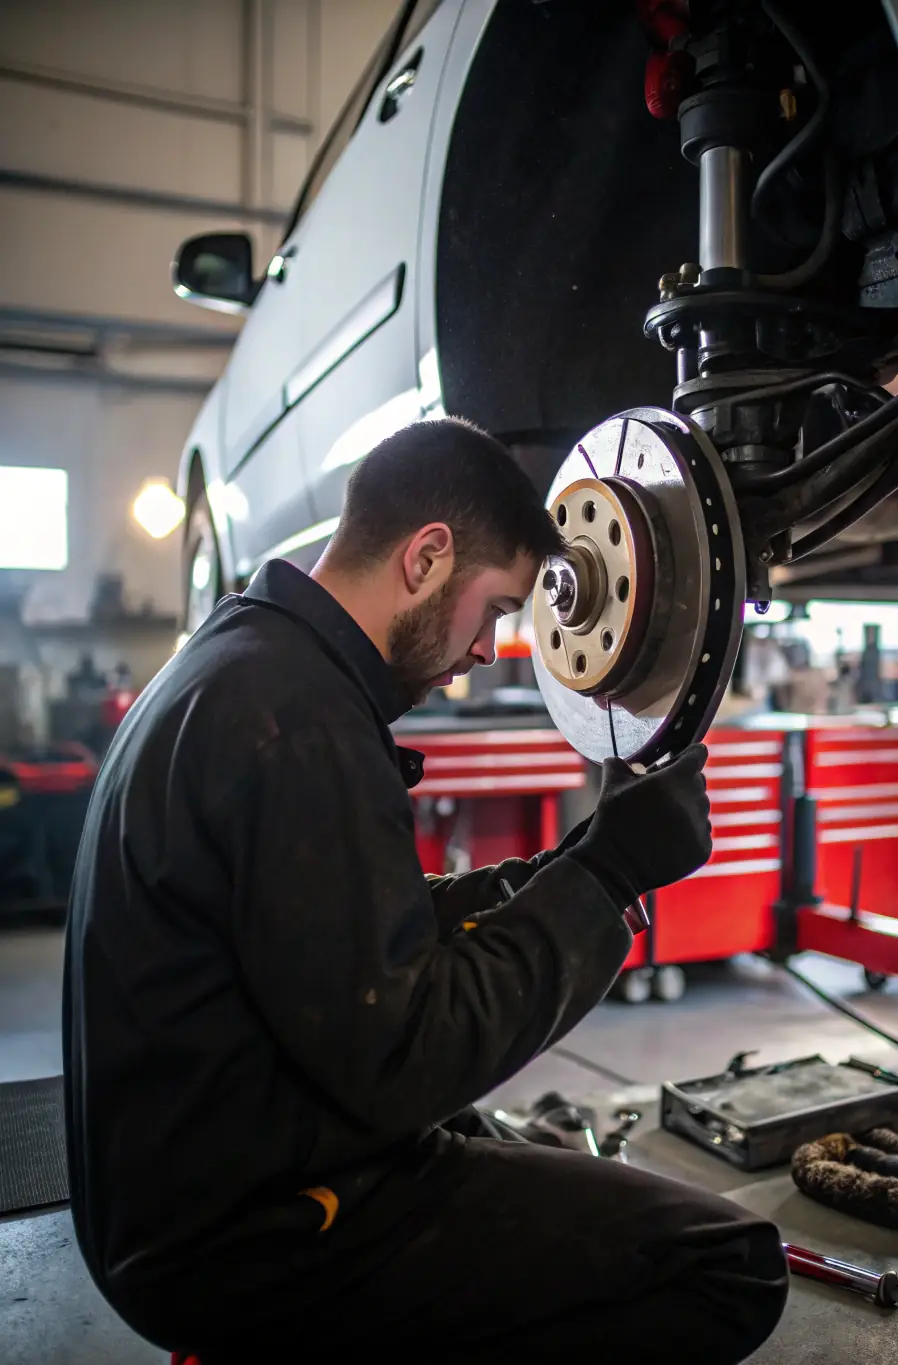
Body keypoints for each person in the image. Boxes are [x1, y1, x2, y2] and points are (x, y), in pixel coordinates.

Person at [63, 419, 787, 1363]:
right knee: (727, 1262)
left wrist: (550, 873)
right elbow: (409, 1051)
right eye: (492, 609)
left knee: (544, 1160)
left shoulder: (247, 667)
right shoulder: (298, 723)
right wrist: (608, 878)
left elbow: (340, 929)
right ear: (427, 557)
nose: (490, 647)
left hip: (184, 1201)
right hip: (243, 1243)